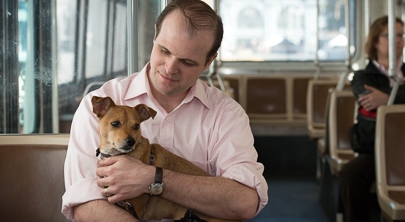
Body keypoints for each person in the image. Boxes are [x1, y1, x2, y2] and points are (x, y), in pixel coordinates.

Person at [61, 0, 268, 221]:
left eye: (187, 61)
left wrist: (154, 178)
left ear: (209, 61)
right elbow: (85, 205)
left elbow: (244, 202)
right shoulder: (97, 106)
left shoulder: (227, 115)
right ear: (155, 35)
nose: (169, 68)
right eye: (164, 50)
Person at [338, 16, 405, 222]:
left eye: (401, 35)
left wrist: (387, 97)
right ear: (375, 41)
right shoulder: (362, 77)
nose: (398, 40)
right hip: (377, 150)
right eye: (391, 35)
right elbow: (367, 100)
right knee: (351, 175)